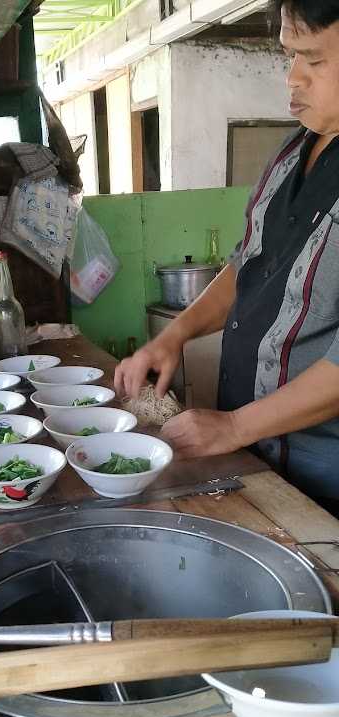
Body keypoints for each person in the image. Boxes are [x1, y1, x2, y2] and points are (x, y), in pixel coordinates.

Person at [115, 0, 339, 510]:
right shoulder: (292, 152)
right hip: (253, 447)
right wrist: (176, 334)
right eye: (289, 56)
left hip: (324, 472)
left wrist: (236, 426)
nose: (293, 78)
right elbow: (248, 264)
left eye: (315, 60)